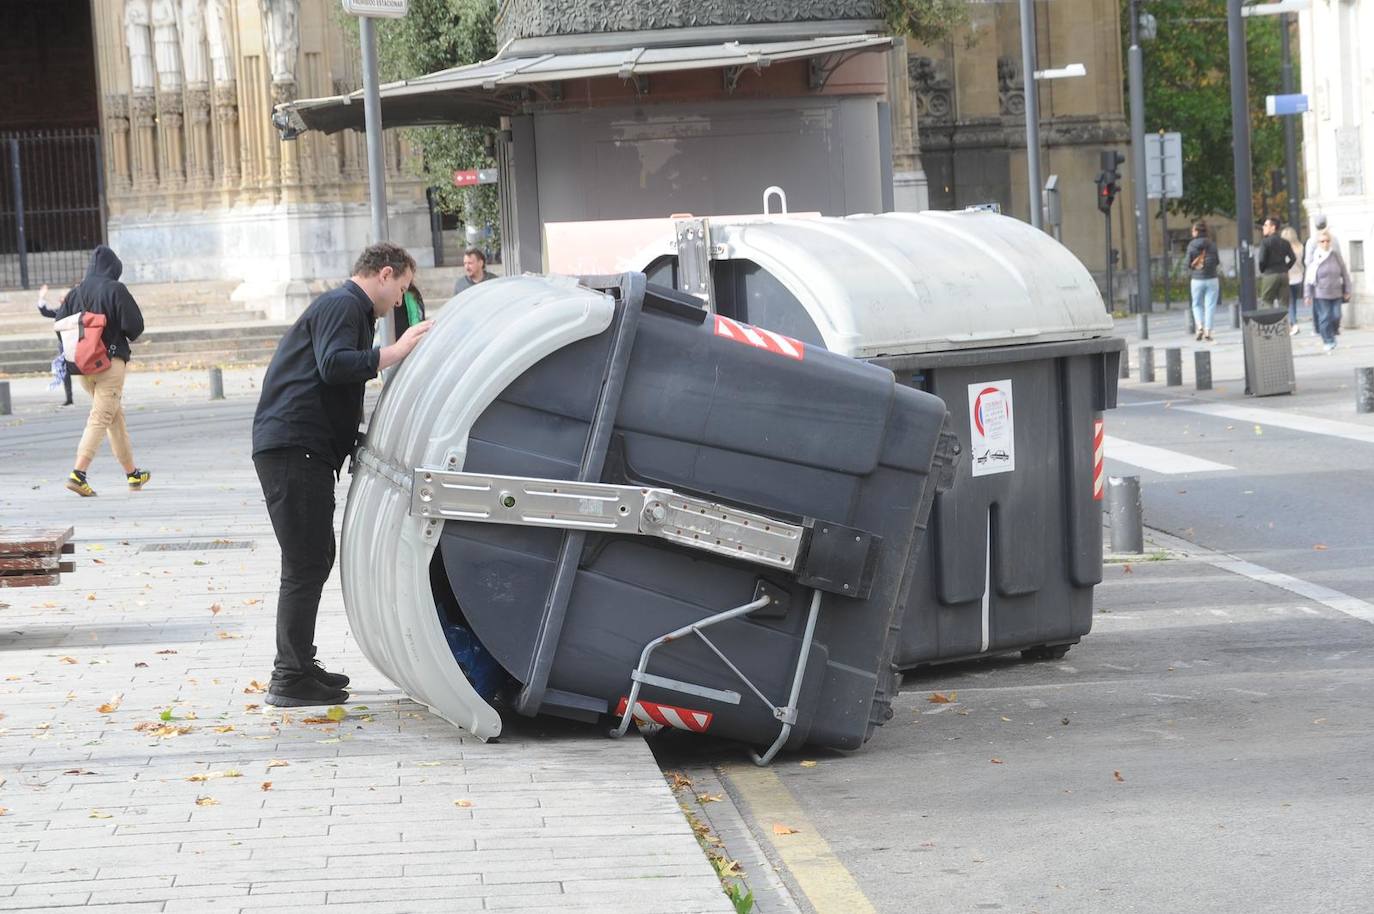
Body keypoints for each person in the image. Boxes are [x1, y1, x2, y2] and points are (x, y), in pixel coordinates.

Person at [252, 243, 433, 708]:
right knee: (306, 561)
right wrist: (394, 351)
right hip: (295, 448)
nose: (400, 301)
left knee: (313, 558)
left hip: (302, 447)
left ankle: (299, 664)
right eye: (401, 290)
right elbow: (333, 366)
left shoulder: (351, 310)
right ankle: (289, 676)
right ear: (385, 274)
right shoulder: (343, 306)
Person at [55, 246, 150, 497]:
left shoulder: (75, 293)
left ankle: (133, 474)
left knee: (114, 418)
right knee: (100, 418)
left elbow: (60, 325)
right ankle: (78, 473)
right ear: (113, 268)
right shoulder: (115, 289)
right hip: (110, 364)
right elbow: (135, 327)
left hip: (84, 368)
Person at [1304, 229, 1352, 353]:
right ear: (1318, 243)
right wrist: (1307, 295)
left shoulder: (1335, 255)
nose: (1325, 243)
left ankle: (1332, 333)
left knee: (1336, 316)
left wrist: (1347, 289)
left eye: (1327, 241)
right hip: (1321, 293)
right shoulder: (1315, 258)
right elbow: (1308, 278)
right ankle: (1328, 340)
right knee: (1325, 317)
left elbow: (1344, 273)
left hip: (1336, 292)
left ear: (1330, 241)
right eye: (1322, 241)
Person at [36, 284, 74, 406]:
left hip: (78, 344)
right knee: (65, 370)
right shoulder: (60, 311)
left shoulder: (77, 309)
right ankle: (69, 398)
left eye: (64, 297)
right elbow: (45, 311)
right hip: (65, 345)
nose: (61, 299)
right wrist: (42, 297)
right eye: (61, 297)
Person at [1185, 221, 1220, 342]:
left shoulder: (1191, 245)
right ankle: (1208, 331)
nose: (1192, 232)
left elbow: (1187, 263)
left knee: (1196, 304)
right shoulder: (1212, 244)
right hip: (1212, 278)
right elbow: (1217, 261)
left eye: (1193, 230)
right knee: (1210, 306)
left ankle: (1199, 326)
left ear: (1197, 231)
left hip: (1197, 279)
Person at [1257, 216, 1296, 310]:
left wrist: (1263, 269)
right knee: (1284, 303)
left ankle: (1270, 323)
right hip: (1283, 274)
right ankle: (1283, 323)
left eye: (1266, 225)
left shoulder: (1265, 242)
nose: (1263, 227)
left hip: (1270, 273)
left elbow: (1262, 260)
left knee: (1266, 301)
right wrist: (1286, 268)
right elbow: (1293, 258)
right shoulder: (1285, 242)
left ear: (1273, 227)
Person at [1280, 225, 1304, 335]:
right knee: (1293, 302)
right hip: (1299, 277)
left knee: (1288, 303)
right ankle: (1292, 322)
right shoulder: (1300, 247)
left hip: (1288, 278)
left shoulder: (1284, 250)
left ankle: (1293, 324)